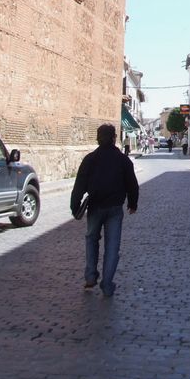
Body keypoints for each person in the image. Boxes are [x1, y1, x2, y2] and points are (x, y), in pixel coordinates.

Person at [70, 123, 139, 297]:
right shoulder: (123, 160)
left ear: (98, 138)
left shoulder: (90, 159)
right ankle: (107, 285)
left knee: (91, 239)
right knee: (112, 247)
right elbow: (132, 184)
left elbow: (79, 185)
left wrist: (75, 206)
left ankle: (90, 276)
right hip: (115, 208)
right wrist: (133, 203)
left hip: (95, 207)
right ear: (114, 138)